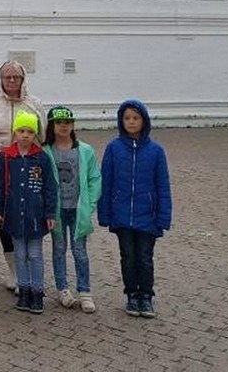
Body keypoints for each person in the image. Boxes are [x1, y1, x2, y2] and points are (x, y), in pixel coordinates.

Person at [98, 99, 172, 319]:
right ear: (121, 121)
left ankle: (146, 296)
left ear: (144, 121)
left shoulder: (156, 151)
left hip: (147, 216)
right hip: (122, 215)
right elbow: (106, 182)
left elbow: (163, 185)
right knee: (128, 256)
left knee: (145, 257)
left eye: (135, 118)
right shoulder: (113, 148)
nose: (131, 122)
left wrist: (163, 216)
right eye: (127, 118)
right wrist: (105, 213)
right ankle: (132, 294)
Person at [0, 60, 46, 292]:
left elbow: (42, 134)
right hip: (0, 166)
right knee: (4, 217)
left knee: (27, 215)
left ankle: (30, 270)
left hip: (27, 165)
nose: (11, 81)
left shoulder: (34, 104)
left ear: (23, 79)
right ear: (0, 79)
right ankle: (14, 272)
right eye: (6, 77)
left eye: (16, 77)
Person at [0, 110, 57, 314]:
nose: (25, 135)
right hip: (13, 214)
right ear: (15, 132)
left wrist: (50, 213)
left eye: (30, 131)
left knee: (35, 254)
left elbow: (49, 187)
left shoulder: (41, 158)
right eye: (21, 130)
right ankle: (24, 290)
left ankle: (37, 293)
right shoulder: (6, 158)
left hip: (35, 215)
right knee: (19, 254)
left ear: (35, 134)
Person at [42, 106, 101, 314]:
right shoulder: (46, 151)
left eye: (68, 122)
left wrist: (90, 203)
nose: (64, 125)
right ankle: (63, 289)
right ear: (52, 125)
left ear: (73, 124)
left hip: (78, 210)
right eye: (59, 122)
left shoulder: (84, 150)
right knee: (59, 250)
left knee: (80, 252)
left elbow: (94, 178)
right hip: (57, 211)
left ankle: (84, 291)